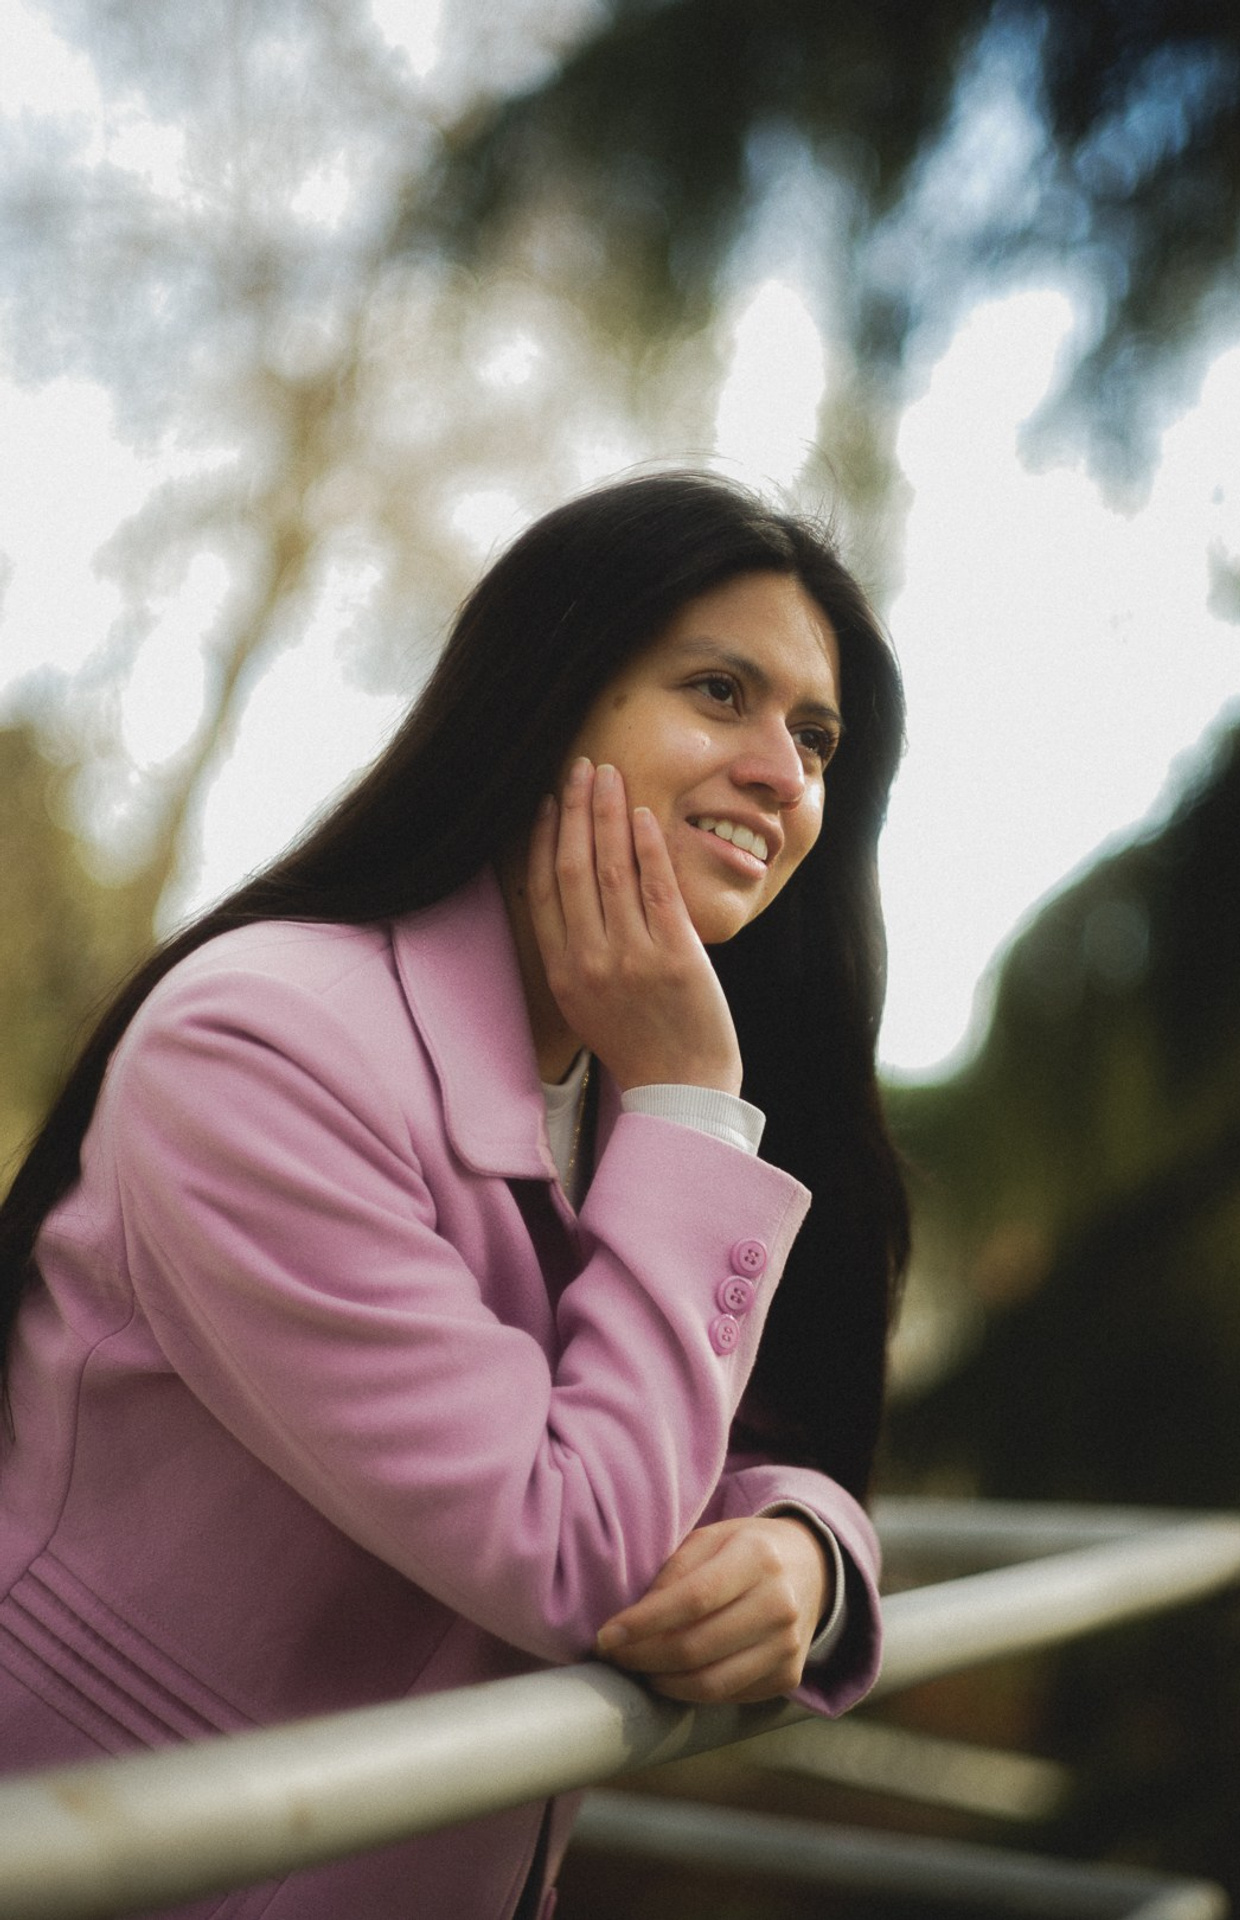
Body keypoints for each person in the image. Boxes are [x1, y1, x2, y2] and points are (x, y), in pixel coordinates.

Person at [0, 470, 909, 1918]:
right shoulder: (263, 1049)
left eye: (815, 738)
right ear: (545, 703)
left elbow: (687, 1446)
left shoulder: (643, 1102)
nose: (787, 777)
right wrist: (684, 1096)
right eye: (721, 693)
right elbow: (579, 1550)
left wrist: (808, 1547)